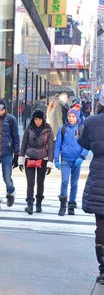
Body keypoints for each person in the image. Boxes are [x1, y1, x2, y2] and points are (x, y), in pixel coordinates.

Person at [78, 92, 104, 284]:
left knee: (101, 226)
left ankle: (103, 270)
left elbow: (84, 143)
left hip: (99, 176)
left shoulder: (91, 121)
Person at [54, 106, 88, 216]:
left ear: (77, 117)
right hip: (65, 159)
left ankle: (71, 204)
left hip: (76, 160)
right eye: (69, 116)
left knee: (74, 183)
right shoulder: (62, 129)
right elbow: (58, 144)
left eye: (73, 116)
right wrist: (56, 159)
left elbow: (86, 145)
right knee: (64, 181)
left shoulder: (81, 129)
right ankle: (63, 204)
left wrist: (82, 157)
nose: (71, 118)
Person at [18, 108, 54, 215]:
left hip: (42, 158)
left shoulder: (48, 130)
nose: (37, 121)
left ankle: (39, 203)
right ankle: (29, 204)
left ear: (43, 119)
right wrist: (20, 159)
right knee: (30, 182)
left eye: (39, 119)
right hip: (30, 158)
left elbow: (51, 147)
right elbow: (24, 144)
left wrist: (50, 162)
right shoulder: (28, 129)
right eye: (35, 119)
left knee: (40, 182)